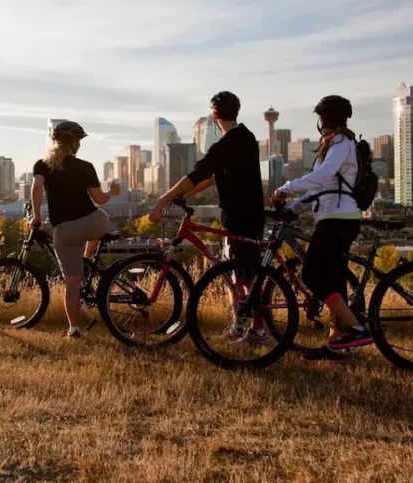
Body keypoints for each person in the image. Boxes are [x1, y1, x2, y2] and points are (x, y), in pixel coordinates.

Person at [150, 91, 268, 344]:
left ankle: (256, 332)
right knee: (236, 275)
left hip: (239, 217)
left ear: (214, 115)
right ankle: (240, 326)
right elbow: (213, 177)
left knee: (243, 278)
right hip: (251, 215)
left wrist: (164, 199)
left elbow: (197, 173)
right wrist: (189, 194)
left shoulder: (224, 145)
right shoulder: (247, 138)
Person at [272, 95, 373, 361]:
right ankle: (336, 343)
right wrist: (295, 206)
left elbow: (325, 176)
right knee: (334, 281)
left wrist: (287, 187)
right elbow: (322, 187)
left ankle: (357, 329)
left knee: (313, 275)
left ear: (323, 119)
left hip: (339, 220)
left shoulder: (341, 142)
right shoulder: (333, 145)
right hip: (334, 217)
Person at [31, 121, 120, 339]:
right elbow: (99, 199)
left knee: (71, 282)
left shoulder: (42, 164)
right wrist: (112, 192)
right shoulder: (85, 166)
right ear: (74, 144)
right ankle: (87, 258)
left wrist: (36, 217)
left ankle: (73, 329)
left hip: (65, 230)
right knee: (102, 217)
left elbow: (36, 188)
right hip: (93, 223)